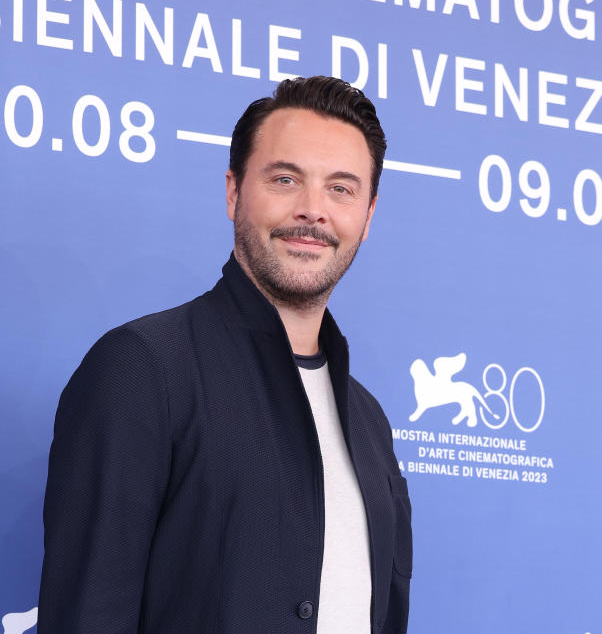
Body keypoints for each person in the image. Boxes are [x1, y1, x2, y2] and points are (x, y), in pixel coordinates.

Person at [37, 76, 412, 634]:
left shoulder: (369, 424)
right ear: (234, 192)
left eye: (342, 189)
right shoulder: (141, 370)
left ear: (369, 214)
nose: (313, 211)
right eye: (286, 179)